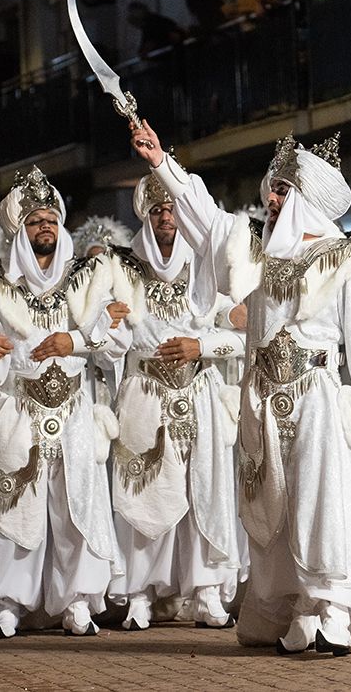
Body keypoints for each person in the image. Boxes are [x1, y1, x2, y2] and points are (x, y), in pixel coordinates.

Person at [129, 121, 351, 656]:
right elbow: (203, 215)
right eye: (271, 189)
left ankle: (335, 609)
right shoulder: (256, 250)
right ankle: (298, 607)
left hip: (318, 398)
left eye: (282, 190)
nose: (271, 198)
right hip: (263, 402)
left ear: (306, 198)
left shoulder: (348, 257)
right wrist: (162, 163)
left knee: (324, 501)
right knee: (275, 503)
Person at [0, 167, 124, 638]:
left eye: (51, 219)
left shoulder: (88, 281)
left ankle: (77, 601)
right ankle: (10, 604)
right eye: (35, 220)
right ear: (19, 232)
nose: (45, 226)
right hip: (18, 409)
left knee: (74, 506)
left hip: (74, 409)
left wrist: (74, 341)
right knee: (17, 504)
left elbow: (119, 339)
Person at [101, 173, 244, 631]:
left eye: (173, 210)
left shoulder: (209, 266)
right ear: (146, 216)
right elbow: (104, 343)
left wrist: (200, 347)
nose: (167, 217)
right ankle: (142, 593)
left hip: (197, 393)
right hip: (143, 396)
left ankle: (205, 593)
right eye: (158, 210)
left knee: (204, 492)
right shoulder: (119, 269)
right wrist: (108, 324)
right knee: (145, 494)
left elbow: (242, 334)